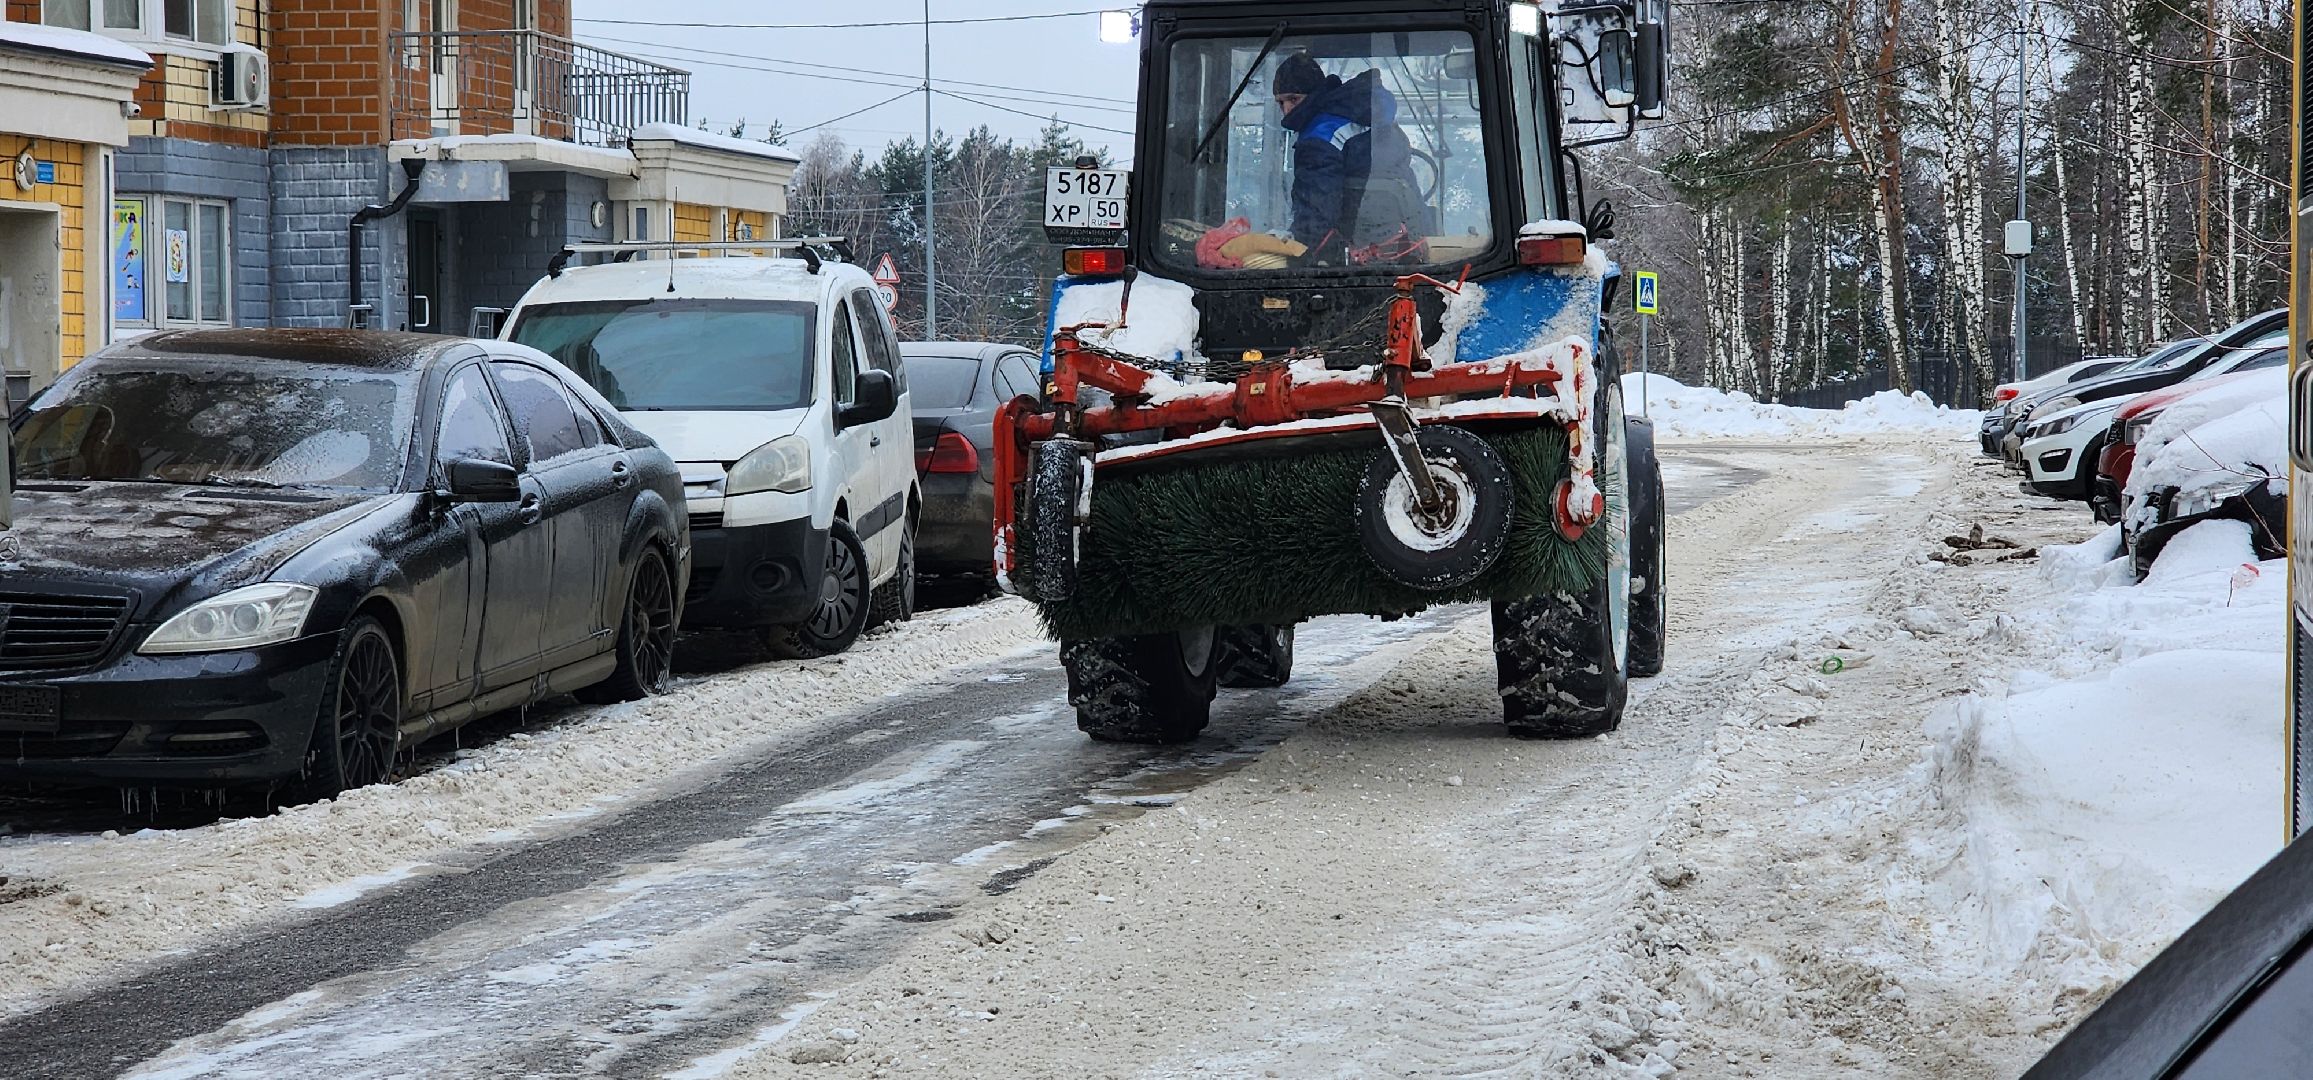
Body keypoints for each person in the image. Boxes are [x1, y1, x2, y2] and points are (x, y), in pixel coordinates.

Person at [1270, 52, 1428, 264]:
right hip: (1406, 245)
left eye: (1293, 99)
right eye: (1280, 103)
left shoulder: (1319, 136)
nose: (1287, 110)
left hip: (1355, 251)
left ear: (1315, 94)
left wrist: (1298, 257)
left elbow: (1317, 209)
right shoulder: (1372, 119)